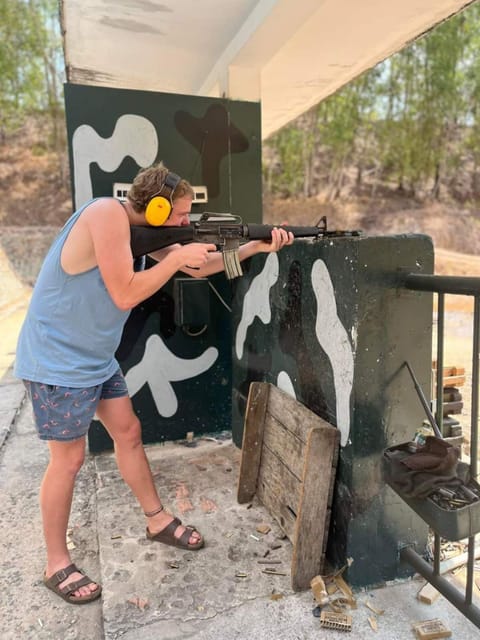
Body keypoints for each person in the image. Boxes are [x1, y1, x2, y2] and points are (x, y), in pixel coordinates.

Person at [14, 162, 293, 605]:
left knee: (128, 432)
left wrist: (254, 248)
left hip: (95, 358)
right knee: (67, 461)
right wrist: (180, 256)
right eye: (181, 216)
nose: (186, 224)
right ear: (157, 208)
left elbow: (199, 270)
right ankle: (55, 562)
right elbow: (125, 292)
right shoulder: (106, 214)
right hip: (58, 359)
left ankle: (157, 520)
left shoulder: (144, 232)